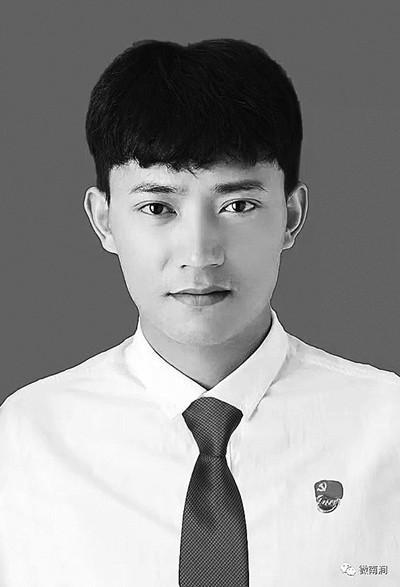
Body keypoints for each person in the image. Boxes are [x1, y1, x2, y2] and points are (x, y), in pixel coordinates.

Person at [0, 38, 399, 587]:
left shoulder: (389, 428)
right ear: (104, 220)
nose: (200, 252)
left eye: (238, 205)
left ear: (291, 216)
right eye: (157, 207)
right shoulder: (24, 443)